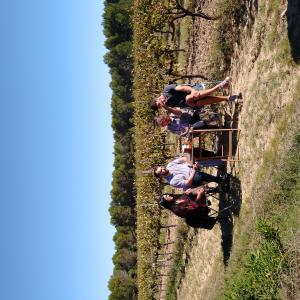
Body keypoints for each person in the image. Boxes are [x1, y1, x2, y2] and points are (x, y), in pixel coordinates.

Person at [150, 78, 242, 111]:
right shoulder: (167, 105)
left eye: (159, 103)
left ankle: (228, 97)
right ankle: (220, 87)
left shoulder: (167, 90)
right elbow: (179, 111)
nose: (161, 104)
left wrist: (192, 90)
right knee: (194, 102)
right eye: (159, 107)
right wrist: (166, 107)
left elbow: (182, 87)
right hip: (191, 104)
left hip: (193, 91)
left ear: (157, 98)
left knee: (192, 98)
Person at [153, 156, 225, 190]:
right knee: (198, 176)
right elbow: (188, 183)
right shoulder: (172, 181)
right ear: (161, 176)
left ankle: (218, 159)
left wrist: (190, 163)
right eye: (161, 171)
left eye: (161, 167)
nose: (163, 169)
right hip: (193, 179)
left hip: (192, 168)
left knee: (196, 159)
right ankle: (219, 180)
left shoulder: (170, 165)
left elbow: (184, 158)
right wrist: (193, 171)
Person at [154, 107, 219, 136]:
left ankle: (215, 123)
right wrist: (185, 133)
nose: (164, 125)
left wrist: (187, 126)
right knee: (195, 127)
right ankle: (214, 121)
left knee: (196, 124)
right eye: (162, 125)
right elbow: (180, 134)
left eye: (162, 124)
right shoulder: (170, 128)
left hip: (190, 119)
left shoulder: (172, 114)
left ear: (164, 119)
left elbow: (184, 113)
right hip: (190, 131)